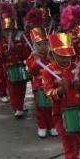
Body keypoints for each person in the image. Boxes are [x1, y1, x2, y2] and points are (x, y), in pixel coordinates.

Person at [25, 9, 58, 138]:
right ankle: (42, 126)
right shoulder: (32, 57)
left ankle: (53, 126)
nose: (43, 47)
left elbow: (57, 69)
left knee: (53, 107)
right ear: (34, 45)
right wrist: (34, 61)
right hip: (38, 86)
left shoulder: (51, 55)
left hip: (51, 85)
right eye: (39, 44)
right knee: (41, 108)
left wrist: (51, 58)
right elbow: (31, 71)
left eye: (45, 44)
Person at [0, 2, 31, 118]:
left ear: (15, 31)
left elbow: (26, 55)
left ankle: (20, 104)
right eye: (6, 31)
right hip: (9, 70)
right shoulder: (2, 44)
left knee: (22, 89)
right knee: (12, 91)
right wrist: (5, 53)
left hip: (20, 69)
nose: (9, 33)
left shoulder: (19, 42)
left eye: (12, 30)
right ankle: (17, 108)